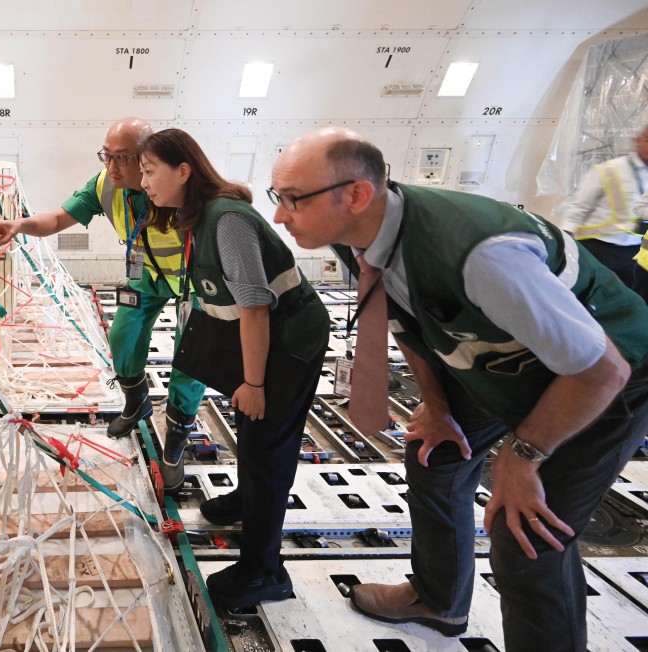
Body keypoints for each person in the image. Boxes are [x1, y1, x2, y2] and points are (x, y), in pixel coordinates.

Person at [270, 127, 648, 651]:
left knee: (527, 540)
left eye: (292, 200)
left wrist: (522, 456)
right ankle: (438, 601)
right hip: (509, 359)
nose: (279, 216)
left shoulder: (482, 257)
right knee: (436, 456)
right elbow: (403, 318)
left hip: (603, 379)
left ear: (355, 194)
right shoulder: (357, 228)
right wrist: (437, 405)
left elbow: (601, 370)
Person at [139, 128, 329, 609]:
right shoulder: (199, 217)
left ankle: (265, 571)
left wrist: (254, 382)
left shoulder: (227, 221)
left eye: (148, 170)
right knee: (251, 426)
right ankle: (249, 501)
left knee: (267, 442)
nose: (143, 182)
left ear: (183, 171)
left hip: (289, 341)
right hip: (267, 337)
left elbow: (255, 307)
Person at [0, 118, 206, 492]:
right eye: (107, 156)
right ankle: (137, 402)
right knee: (122, 337)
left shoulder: (180, 187)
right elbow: (57, 219)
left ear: (148, 157)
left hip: (192, 279)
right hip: (147, 275)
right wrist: (18, 225)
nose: (112, 167)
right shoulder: (105, 187)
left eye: (124, 158)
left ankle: (177, 437)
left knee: (190, 360)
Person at [556, 125, 648, 298]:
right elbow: (578, 207)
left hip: (635, 251)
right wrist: (565, 240)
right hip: (598, 247)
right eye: (647, 140)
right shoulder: (609, 170)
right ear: (636, 141)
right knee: (584, 295)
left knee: (626, 300)